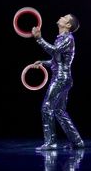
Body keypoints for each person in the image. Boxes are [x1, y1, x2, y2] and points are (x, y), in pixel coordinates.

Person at [32, 14, 84, 150]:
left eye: (64, 17)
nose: (60, 17)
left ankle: (51, 142)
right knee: (59, 111)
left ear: (68, 25)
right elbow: (57, 61)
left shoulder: (68, 38)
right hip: (63, 78)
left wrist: (39, 39)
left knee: (46, 107)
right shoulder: (62, 39)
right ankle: (77, 142)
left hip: (61, 79)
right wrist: (43, 62)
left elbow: (54, 51)